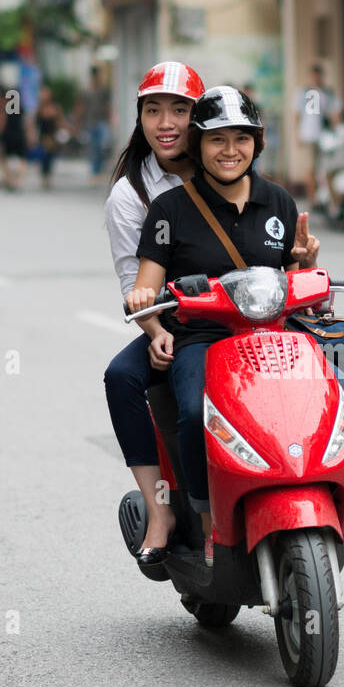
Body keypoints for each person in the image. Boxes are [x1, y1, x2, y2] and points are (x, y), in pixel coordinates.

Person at [125, 86, 344, 567]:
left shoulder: (278, 201)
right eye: (217, 139)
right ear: (197, 146)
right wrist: (146, 305)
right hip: (202, 336)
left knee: (342, 391)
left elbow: (297, 282)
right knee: (196, 409)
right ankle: (205, 518)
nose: (230, 150)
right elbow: (146, 287)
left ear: (256, 144)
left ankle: (341, 509)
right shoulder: (169, 211)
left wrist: (307, 265)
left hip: (277, 335)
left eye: (242, 139)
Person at [103, 60, 207, 568]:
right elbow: (133, 285)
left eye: (180, 110)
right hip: (176, 322)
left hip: (247, 318)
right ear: (140, 118)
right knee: (121, 375)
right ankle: (159, 507)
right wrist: (156, 329)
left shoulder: (224, 163)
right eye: (153, 110)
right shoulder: (131, 195)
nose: (166, 122)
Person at [291, 63, 341, 206]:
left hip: (326, 137)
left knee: (327, 168)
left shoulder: (327, 92)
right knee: (311, 168)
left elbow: (335, 113)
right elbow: (297, 114)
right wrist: (298, 134)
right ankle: (313, 200)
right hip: (309, 135)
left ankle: (330, 200)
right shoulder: (303, 92)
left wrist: (336, 129)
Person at [75, 65, 112, 184]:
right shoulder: (86, 90)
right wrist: (78, 122)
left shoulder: (103, 90)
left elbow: (108, 106)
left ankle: (99, 171)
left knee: (102, 147)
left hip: (102, 121)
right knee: (93, 148)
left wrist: (111, 119)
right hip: (90, 121)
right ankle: (95, 172)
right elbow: (81, 107)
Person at [32, 85, 71, 190]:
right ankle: (44, 177)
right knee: (43, 157)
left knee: (50, 157)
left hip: (53, 137)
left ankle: (48, 177)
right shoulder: (39, 109)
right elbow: (34, 124)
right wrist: (32, 136)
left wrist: (68, 129)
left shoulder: (55, 108)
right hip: (43, 137)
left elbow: (61, 121)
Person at [0, 86, 27, 192]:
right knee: (22, 159)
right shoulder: (20, 107)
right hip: (19, 135)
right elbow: (25, 122)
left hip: (7, 135)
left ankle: (9, 179)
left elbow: (2, 121)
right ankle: (17, 181)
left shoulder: (4, 105)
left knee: (4, 159)